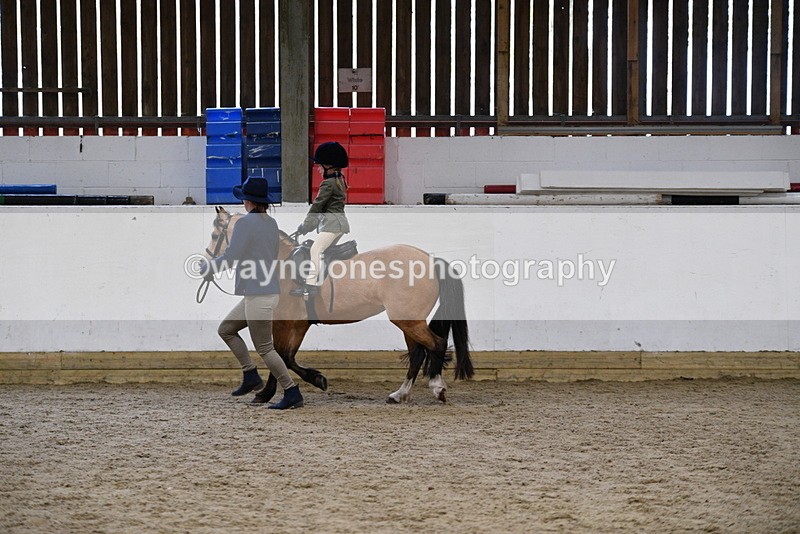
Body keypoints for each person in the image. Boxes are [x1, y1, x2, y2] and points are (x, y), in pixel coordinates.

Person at [202, 177, 303, 410]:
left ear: (248, 201)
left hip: (259, 295)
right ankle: (250, 375)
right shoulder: (271, 223)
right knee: (226, 329)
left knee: (265, 348)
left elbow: (232, 256)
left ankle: (291, 391)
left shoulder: (245, 224)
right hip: (262, 292)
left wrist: (210, 267)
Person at [291, 141, 350, 297]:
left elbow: (317, 207)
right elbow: (324, 209)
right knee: (324, 252)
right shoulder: (339, 180)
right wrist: (309, 227)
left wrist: (305, 225)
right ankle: (326, 282)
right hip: (338, 224)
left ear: (329, 166)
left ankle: (310, 286)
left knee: (315, 250)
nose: (318, 169)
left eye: (320, 166)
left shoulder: (328, 184)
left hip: (333, 225)